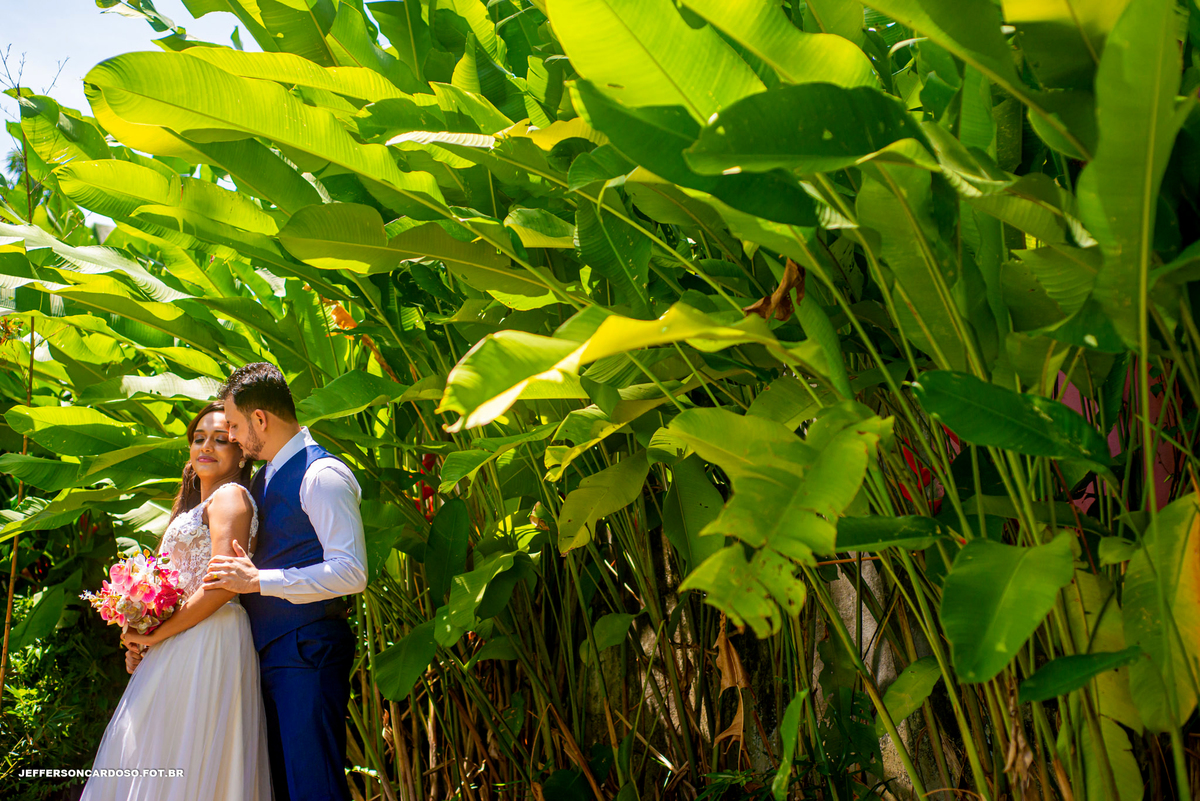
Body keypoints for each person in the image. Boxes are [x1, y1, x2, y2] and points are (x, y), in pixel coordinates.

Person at [82, 401, 272, 801]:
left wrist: (155, 636)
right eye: (199, 438)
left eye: (221, 439)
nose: (207, 446)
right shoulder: (195, 507)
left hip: (210, 638)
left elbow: (222, 586)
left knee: (190, 755)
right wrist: (142, 632)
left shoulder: (231, 497)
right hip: (182, 638)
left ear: (241, 451)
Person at [201, 362, 368, 801]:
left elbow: (352, 571)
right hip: (267, 653)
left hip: (307, 651)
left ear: (260, 419)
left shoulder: (322, 475)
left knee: (314, 787)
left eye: (235, 425)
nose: (232, 436)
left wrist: (260, 582)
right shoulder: (264, 475)